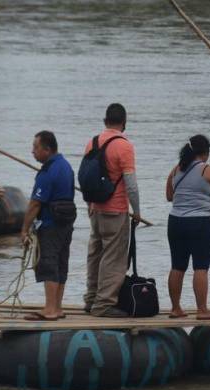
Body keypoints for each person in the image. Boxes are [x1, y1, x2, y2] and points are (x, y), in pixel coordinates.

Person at [83, 103, 141, 318]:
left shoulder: (92, 142)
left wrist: (89, 205)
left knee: (95, 255)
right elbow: (131, 184)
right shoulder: (124, 146)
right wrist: (137, 210)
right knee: (114, 259)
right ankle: (104, 305)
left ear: (105, 121)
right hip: (115, 210)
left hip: (95, 209)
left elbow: (88, 177)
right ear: (124, 123)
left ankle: (90, 299)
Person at [166, 135, 210, 320]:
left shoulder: (176, 170)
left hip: (175, 221)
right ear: (205, 153)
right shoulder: (209, 171)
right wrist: (208, 198)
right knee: (201, 267)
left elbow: (170, 196)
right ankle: (202, 310)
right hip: (200, 222)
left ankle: (176, 308)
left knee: (177, 266)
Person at [20, 131, 76, 321]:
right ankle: (57, 307)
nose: (32, 151)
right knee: (61, 264)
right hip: (67, 224)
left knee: (49, 263)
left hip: (51, 225)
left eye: (36, 147)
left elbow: (35, 204)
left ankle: (50, 310)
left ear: (47, 149)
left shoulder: (48, 172)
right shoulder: (66, 166)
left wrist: (24, 229)